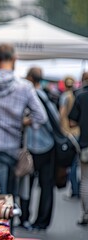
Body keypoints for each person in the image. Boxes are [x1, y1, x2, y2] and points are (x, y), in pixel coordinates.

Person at [0, 44, 47, 195]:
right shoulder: (25, 86)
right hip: (13, 149)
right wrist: (24, 122)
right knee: (10, 199)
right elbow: (41, 116)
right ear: (14, 59)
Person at [19, 67, 57, 231]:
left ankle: (25, 217)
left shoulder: (28, 94)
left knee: (26, 183)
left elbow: (40, 118)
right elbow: (54, 119)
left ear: (29, 78)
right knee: (46, 185)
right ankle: (42, 221)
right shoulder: (47, 96)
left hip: (32, 146)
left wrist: (27, 122)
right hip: (48, 145)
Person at [69, 72, 88, 225]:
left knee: (85, 181)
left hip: (85, 145)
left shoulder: (81, 97)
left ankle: (86, 214)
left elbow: (72, 122)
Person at [59, 76, 80, 199]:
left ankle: (74, 189)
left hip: (67, 133)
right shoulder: (76, 96)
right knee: (76, 164)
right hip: (77, 132)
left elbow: (61, 115)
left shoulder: (64, 97)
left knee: (71, 164)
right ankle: (76, 188)